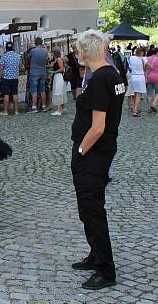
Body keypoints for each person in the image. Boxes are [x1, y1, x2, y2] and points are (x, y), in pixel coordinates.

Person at [69, 29, 125, 290]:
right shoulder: (109, 75)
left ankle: (105, 270)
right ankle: (95, 254)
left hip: (93, 152)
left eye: (78, 49)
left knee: (92, 209)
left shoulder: (102, 78)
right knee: (89, 207)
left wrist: (81, 151)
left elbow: (98, 126)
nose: (76, 54)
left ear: (86, 51)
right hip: (99, 151)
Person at [0, 41, 22, 115]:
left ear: (6, 48)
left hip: (5, 78)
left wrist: (0, 76)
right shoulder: (18, 56)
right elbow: (20, 66)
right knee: (15, 94)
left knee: (6, 94)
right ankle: (16, 111)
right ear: (13, 48)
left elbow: (1, 68)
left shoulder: (3, 56)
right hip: (15, 77)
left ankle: (5, 111)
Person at [27, 37, 49, 113]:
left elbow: (27, 58)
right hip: (43, 71)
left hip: (34, 72)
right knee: (42, 90)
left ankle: (34, 107)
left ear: (35, 42)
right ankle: (44, 106)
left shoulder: (33, 51)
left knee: (34, 90)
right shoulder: (45, 51)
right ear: (41, 42)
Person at [144, 47, 158, 114]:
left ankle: (149, 108)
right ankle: (153, 104)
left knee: (149, 94)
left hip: (149, 77)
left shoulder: (147, 59)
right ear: (157, 53)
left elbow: (145, 68)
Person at [127, 46, 147, 116]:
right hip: (140, 77)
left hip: (133, 77)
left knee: (135, 94)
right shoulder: (143, 59)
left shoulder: (131, 58)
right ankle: (135, 111)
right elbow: (148, 67)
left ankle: (134, 108)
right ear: (141, 52)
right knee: (139, 95)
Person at [51, 48, 67, 116]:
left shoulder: (59, 59)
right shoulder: (56, 60)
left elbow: (62, 69)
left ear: (55, 53)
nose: (51, 54)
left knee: (58, 92)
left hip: (58, 77)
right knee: (60, 91)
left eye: (52, 52)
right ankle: (62, 108)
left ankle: (59, 110)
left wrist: (54, 72)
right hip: (57, 77)